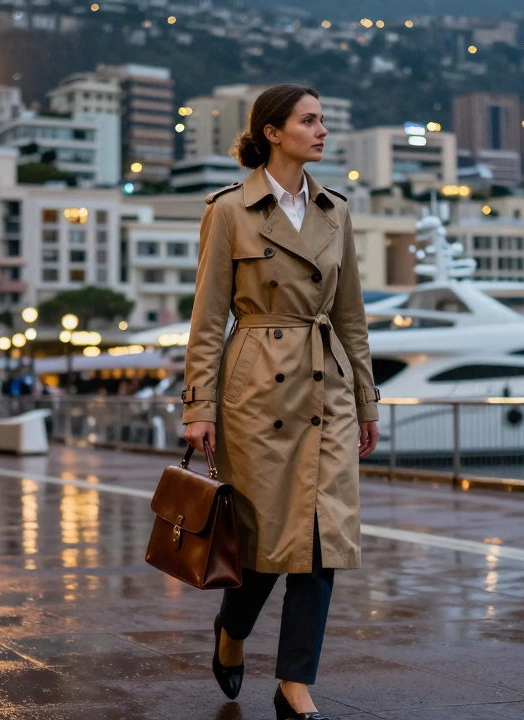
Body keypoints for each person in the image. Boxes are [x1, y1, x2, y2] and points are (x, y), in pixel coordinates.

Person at [181, 84, 380, 720]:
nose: (322, 131)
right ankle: (232, 630)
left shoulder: (335, 210)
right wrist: (198, 406)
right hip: (254, 386)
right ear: (272, 131)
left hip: (327, 383)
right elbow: (208, 319)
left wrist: (367, 400)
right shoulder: (231, 210)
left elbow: (351, 316)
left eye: (323, 120)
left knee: (322, 539)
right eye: (309, 120)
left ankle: (295, 683)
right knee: (262, 541)